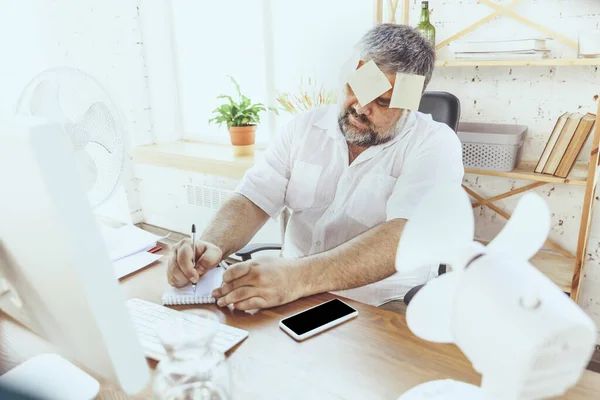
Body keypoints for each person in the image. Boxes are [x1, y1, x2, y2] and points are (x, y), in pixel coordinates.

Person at [167, 24, 464, 311]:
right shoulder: (303, 128)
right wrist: (211, 245)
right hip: (290, 295)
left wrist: (297, 277)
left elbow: (406, 235)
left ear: (410, 104)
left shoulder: (435, 145)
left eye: (383, 102)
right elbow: (254, 197)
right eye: (354, 88)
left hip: (380, 304)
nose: (360, 108)